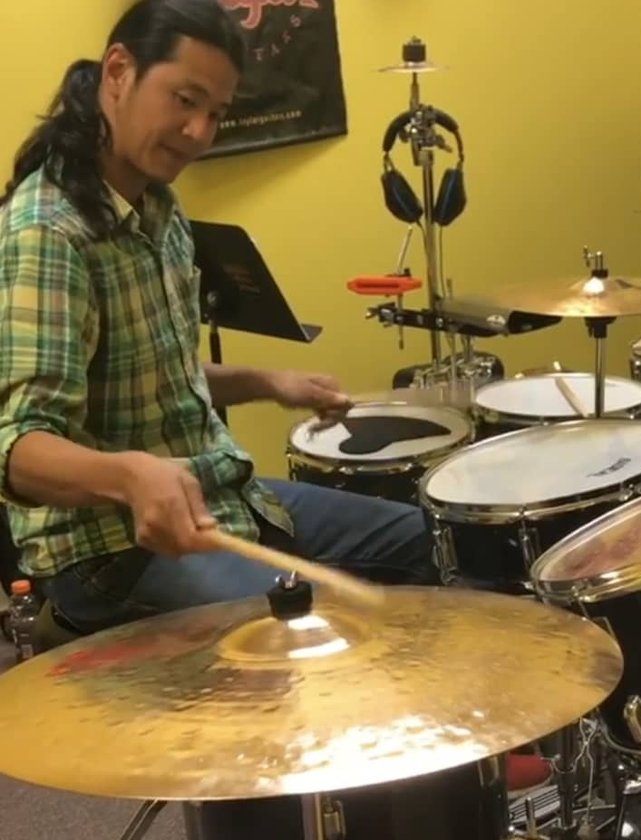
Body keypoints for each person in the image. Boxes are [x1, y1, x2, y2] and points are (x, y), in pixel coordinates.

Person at [0, 0, 437, 639]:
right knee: (314, 639)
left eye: (216, 113)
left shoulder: (159, 208)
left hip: (220, 497)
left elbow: (156, 377)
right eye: (185, 100)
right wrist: (131, 475)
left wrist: (269, 382)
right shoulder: (47, 231)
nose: (200, 131)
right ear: (118, 72)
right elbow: (18, 444)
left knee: (430, 542)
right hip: (109, 553)